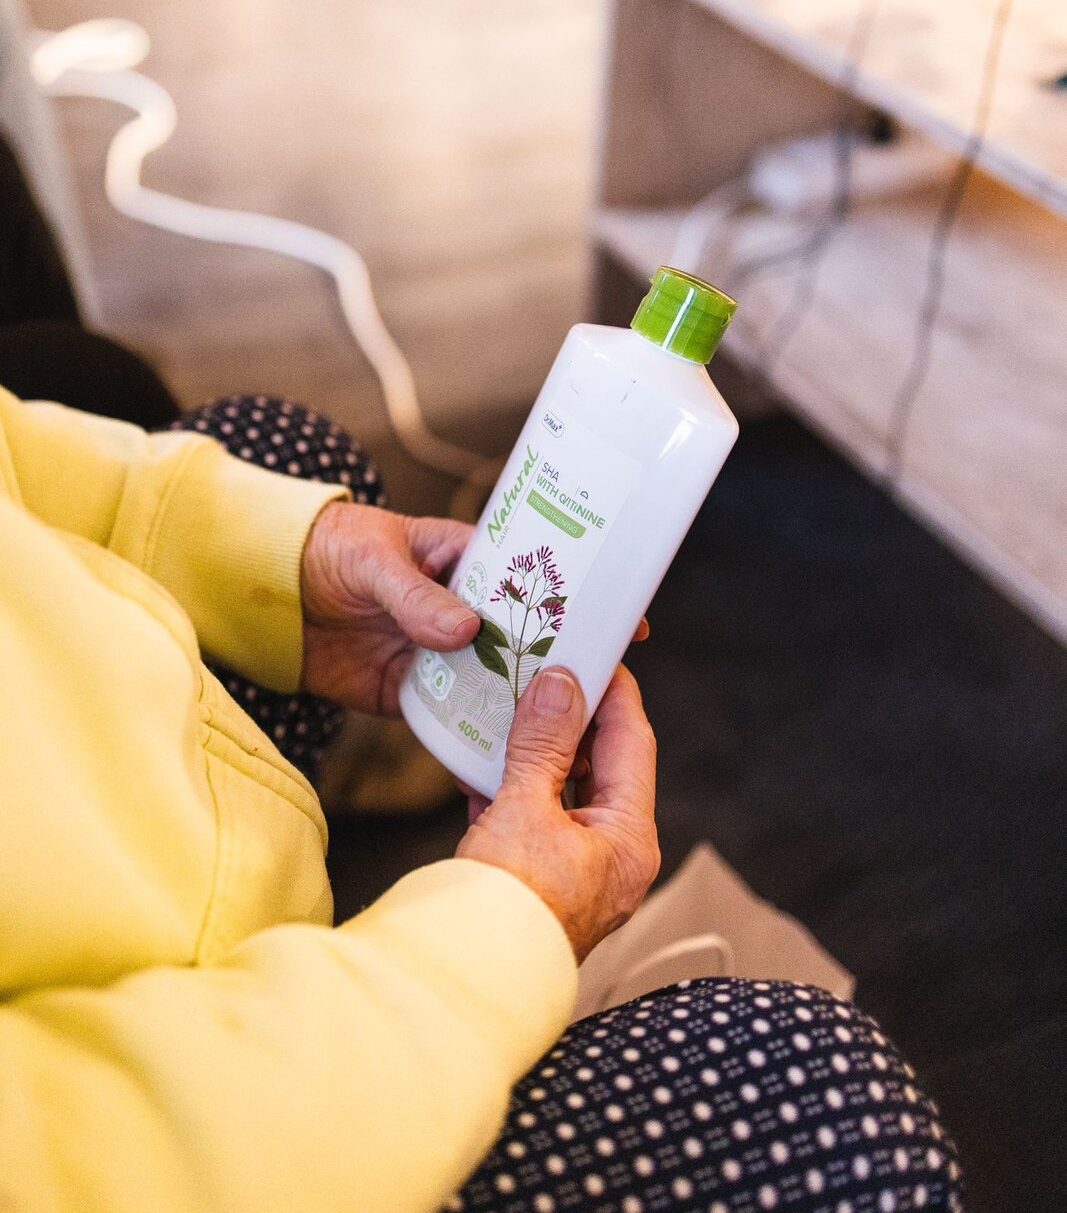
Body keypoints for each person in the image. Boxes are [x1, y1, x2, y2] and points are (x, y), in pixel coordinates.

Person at [0, 376, 964, 1213]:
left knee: (285, 454)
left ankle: (347, 760)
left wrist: (272, 553)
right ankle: (368, 768)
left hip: (112, 760)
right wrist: (505, 930)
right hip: (234, 1119)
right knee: (833, 1113)